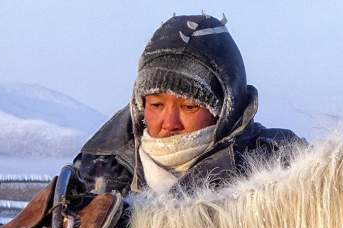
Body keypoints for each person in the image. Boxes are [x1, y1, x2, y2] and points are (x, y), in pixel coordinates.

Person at [73, 13, 304, 195]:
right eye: (156, 105)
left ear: (225, 110)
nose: (169, 123)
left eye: (189, 107)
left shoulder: (278, 162)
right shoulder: (97, 169)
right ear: (139, 106)